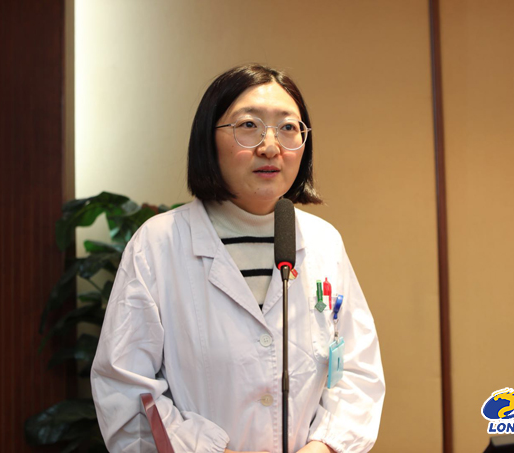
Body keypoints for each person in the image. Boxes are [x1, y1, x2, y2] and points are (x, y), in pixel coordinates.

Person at [91, 64, 385, 453]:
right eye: (249, 125)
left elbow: (358, 372)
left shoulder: (323, 242)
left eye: (288, 127)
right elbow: (126, 389)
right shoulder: (158, 243)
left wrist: (323, 448)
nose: (270, 146)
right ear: (208, 138)